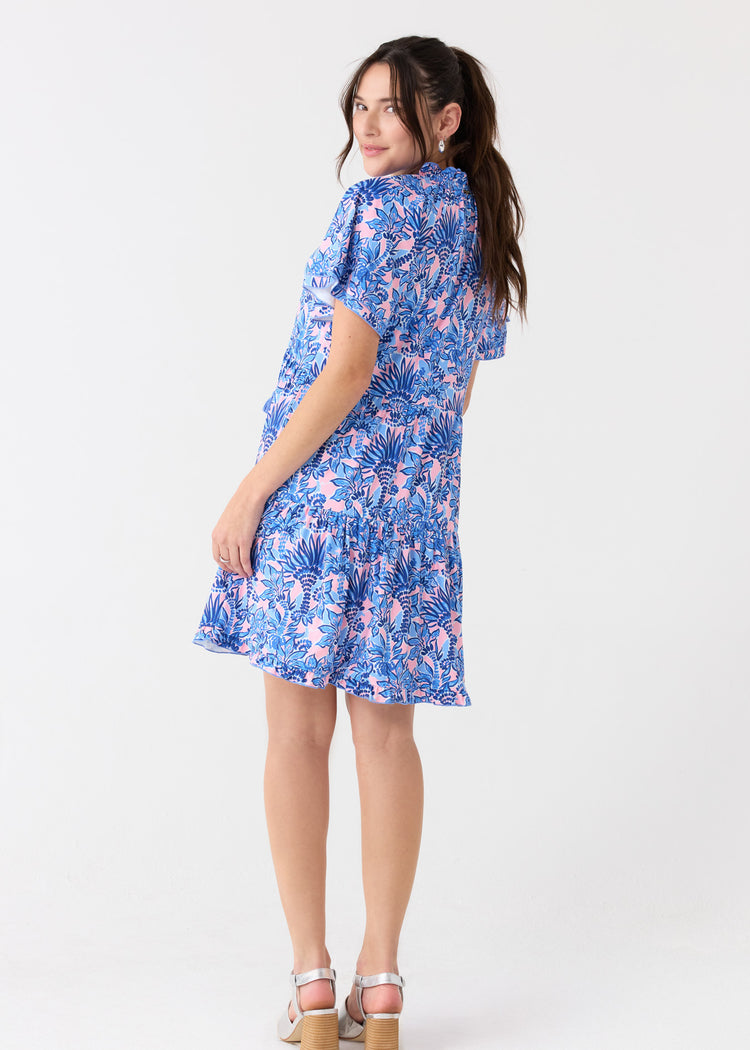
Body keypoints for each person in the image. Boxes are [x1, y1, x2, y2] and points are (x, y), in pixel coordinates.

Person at [193, 34, 527, 1050]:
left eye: (391, 107)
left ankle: (312, 985)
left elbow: (347, 369)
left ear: (446, 120)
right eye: (362, 105)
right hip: (416, 514)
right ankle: (381, 987)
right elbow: (458, 388)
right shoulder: (478, 223)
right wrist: (408, 476)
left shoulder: (374, 209)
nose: (368, 125)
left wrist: (252, 491)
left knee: (297, 737)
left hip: (321, 503)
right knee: (388, 740)